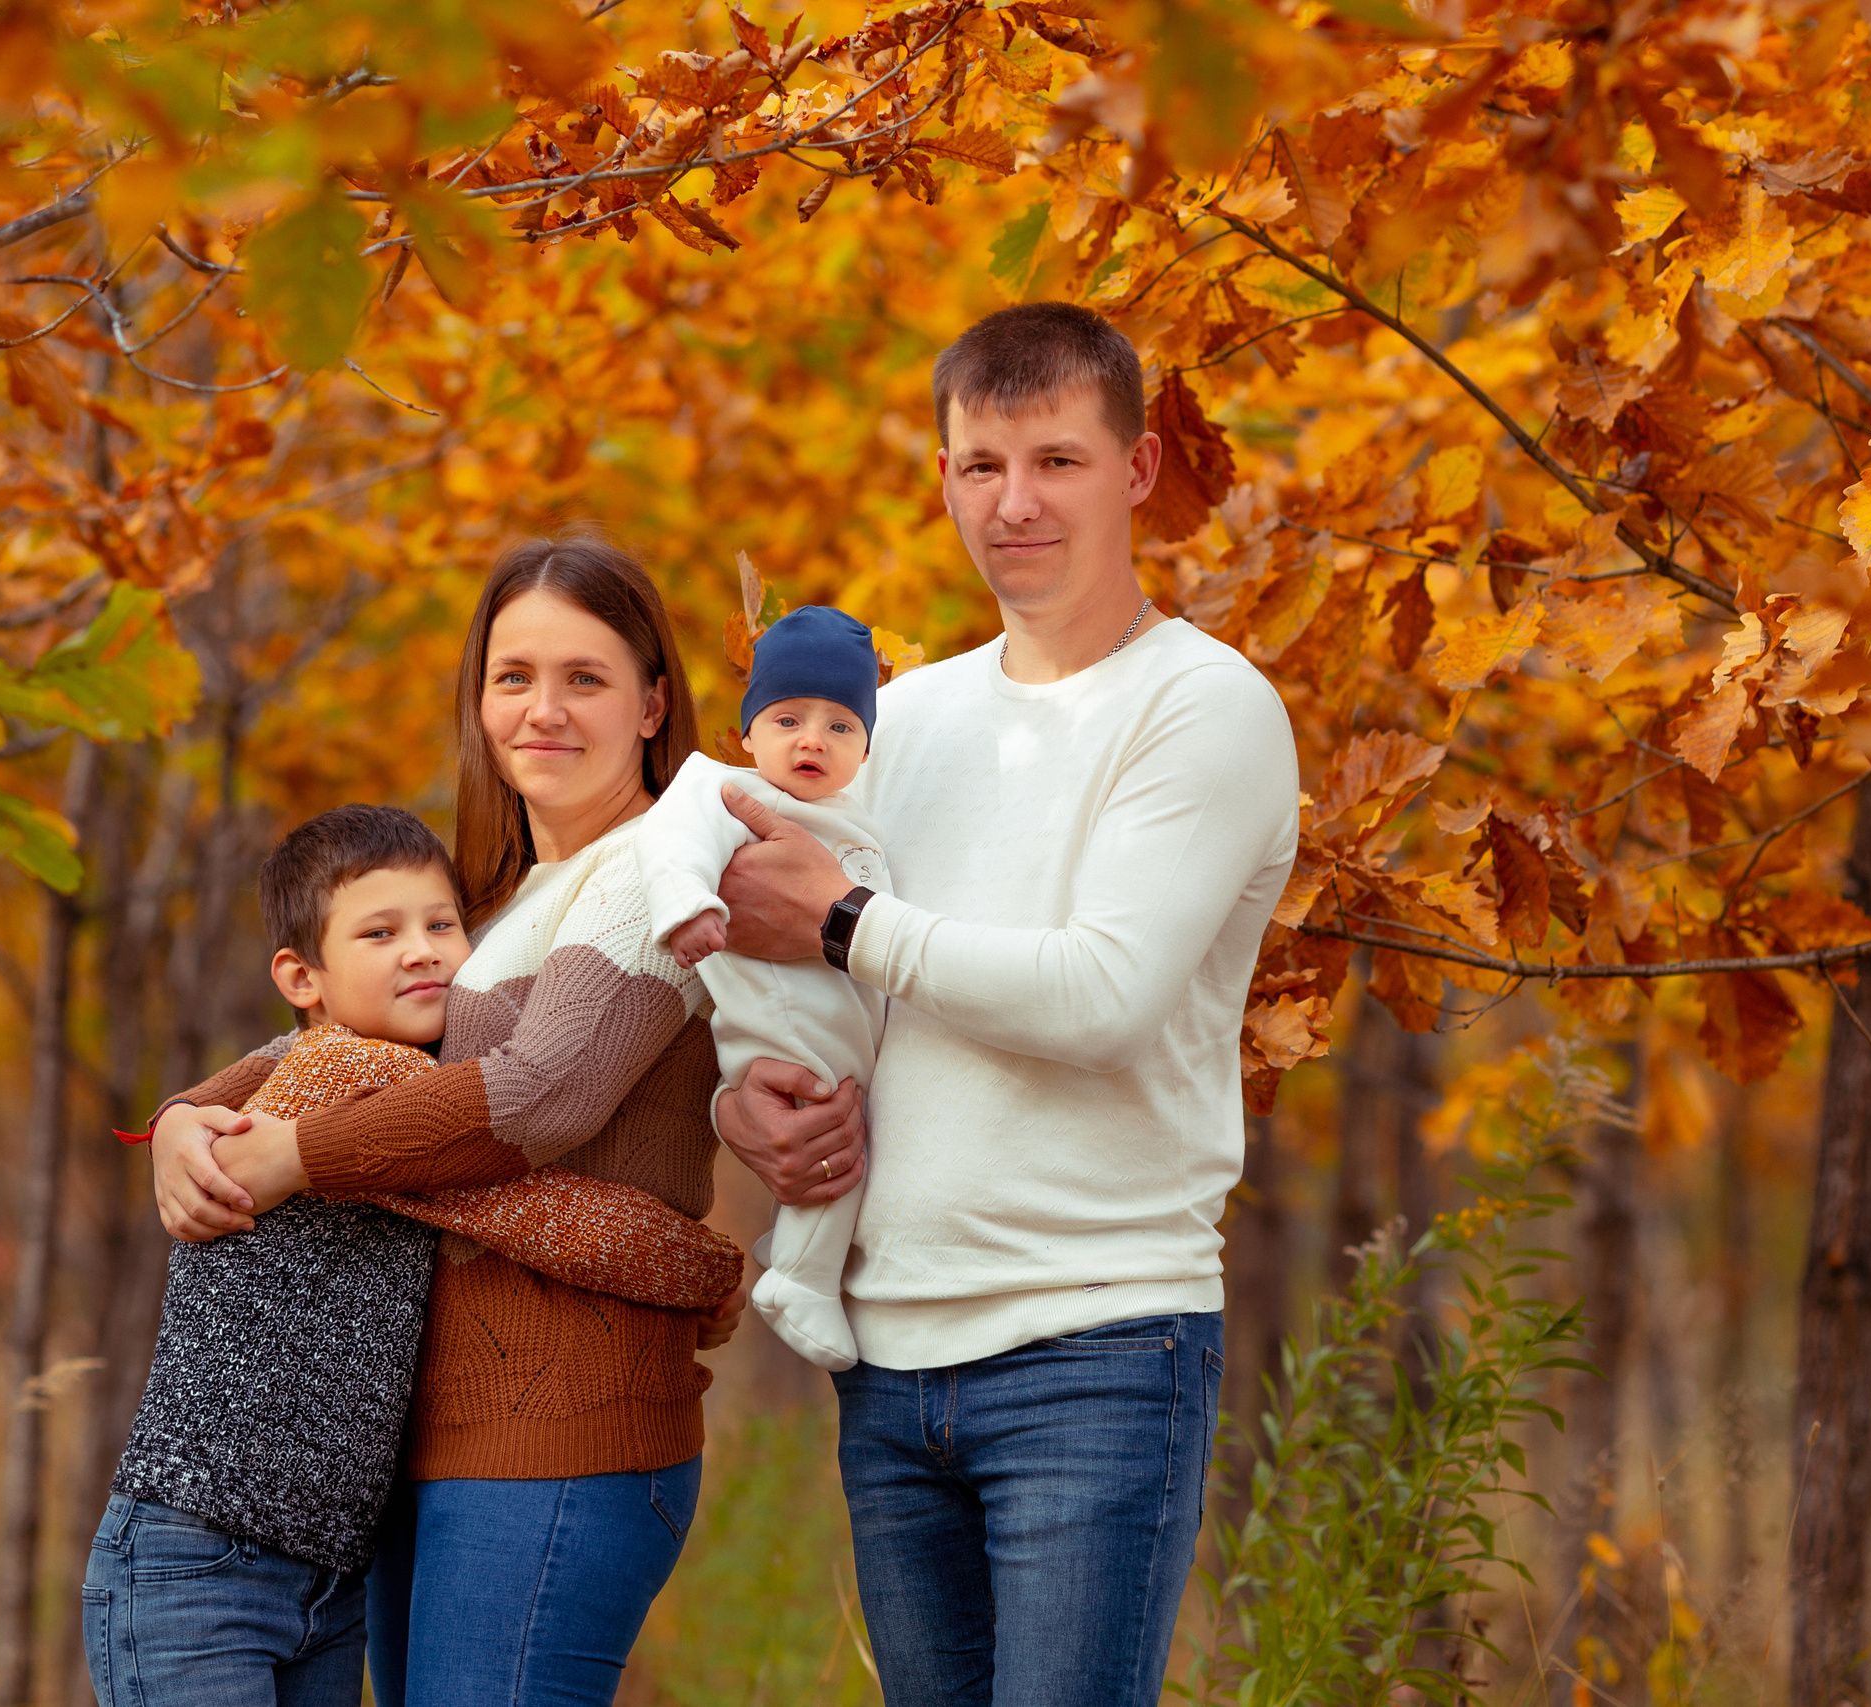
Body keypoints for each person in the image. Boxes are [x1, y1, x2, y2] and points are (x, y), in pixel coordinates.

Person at [712, 301, 1302, 1706]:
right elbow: (824, 982)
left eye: (1058, 461)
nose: (1015, 503)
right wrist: (755, 1102)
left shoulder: (1203, 707)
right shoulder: (900, 721)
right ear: (944, 478)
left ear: (1140, 467)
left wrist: (845, 920)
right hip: (889, 1357)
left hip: (1094, 1347)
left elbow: (1100, 993)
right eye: (982, 465)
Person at [147, 532, 742, 1707]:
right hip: (427, 1447)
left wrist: (300, 1159)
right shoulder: (490, 901)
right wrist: (184, 1118)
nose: (543, 710)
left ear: (653, 702)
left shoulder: (649, 873)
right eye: (513, 677)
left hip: (566, 1441)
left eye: (586, 678)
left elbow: (538, 1095)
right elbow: (339, 1055)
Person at [634, 603, 891, 1370]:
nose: (813, 738)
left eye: (841, 726)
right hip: (780, 1020)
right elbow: (672, 844)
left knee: (849, 1131)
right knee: (832, 1131)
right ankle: (800, 1284)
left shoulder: (855, 814)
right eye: (787, 718)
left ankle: (796, 1245)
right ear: (748, 732)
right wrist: (690, 909)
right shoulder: (722, 789)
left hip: (837, 1016)